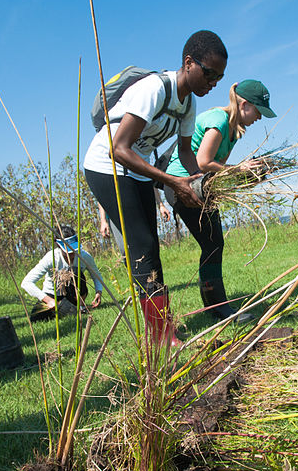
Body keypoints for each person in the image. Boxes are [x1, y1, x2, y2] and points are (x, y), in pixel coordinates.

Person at [83, 30, 227, 346]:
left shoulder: (187, 104)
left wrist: (199, 184)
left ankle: (161, 329)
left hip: (138, 170)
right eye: (209, 73)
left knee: (150, 249)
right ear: (189, 63)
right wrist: (172, 181)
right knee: (142, 245)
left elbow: (187, 152)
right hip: (107, 167)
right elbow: (118, 148)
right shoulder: (154, 90)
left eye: (219, 77)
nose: (213, 82)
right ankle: (161, 335)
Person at [164, 80, 276, 324]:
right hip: (181, 184)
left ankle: (217, 308)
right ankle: (219, 310)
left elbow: (220, 171)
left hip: (199, 185)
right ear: (244, 104)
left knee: (213, 243)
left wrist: (249, 174)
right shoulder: (219, 121)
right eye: (258, 111)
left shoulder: (233, 131)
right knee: (212, 243)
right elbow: (203, 162)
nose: (259, 118)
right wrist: (239, 168)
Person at [21, 225, 104, 322]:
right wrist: (48, 300)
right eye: (68, 251)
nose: (72, 254)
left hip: (73, 295)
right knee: (36, 319)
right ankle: (70, 310)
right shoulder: (51, 258)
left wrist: (99, 291)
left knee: (74, 271)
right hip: (52, 295)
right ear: (59, 246)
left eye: (74, 250)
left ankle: (79, 305)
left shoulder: (85, 256)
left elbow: (96, 275)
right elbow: (26, 283)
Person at [97, 191, 172, 258]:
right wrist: (103, 220)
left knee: (147, 245)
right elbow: (100, 194)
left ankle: (151, 272)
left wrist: (161, 205)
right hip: (113, 214)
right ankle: (134, 272)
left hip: (136, 209)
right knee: (124, 250)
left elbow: (150, 182)